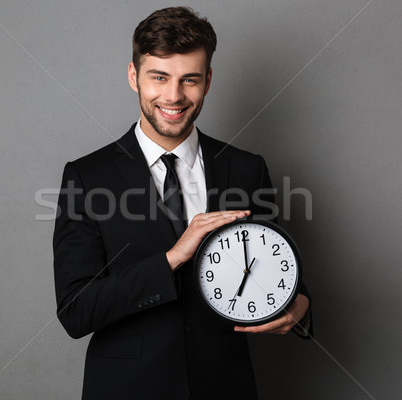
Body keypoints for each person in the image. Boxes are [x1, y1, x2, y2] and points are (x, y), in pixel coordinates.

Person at [53, 7, 312, 399]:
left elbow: (274, 266)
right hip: (128, 390)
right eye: (159, 77)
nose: (173, 96)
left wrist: (301, 304)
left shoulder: (245, 168)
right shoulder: (88, 177)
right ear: (133, 77)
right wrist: (172, 257)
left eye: (189, 79)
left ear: (207, 81)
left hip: (226, 386)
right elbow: (75, 310)